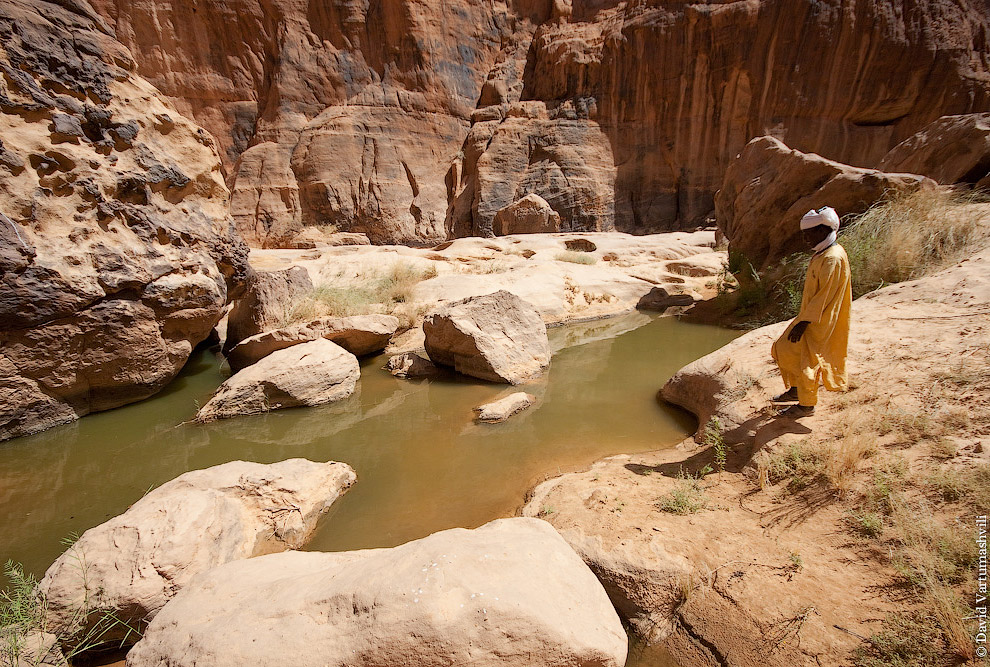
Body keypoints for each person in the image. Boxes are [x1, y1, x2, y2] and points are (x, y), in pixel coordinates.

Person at [770, 206, 852, 418]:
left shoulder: (832, 258)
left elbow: (824, 296)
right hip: (811, 315)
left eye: (809, 234)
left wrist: (804, 322)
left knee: (808, 360)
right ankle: (796, 389)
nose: (805, 239)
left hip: (819, 320)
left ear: (822, 230)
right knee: (784, 348)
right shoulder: (823, 253)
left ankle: (806, 406)